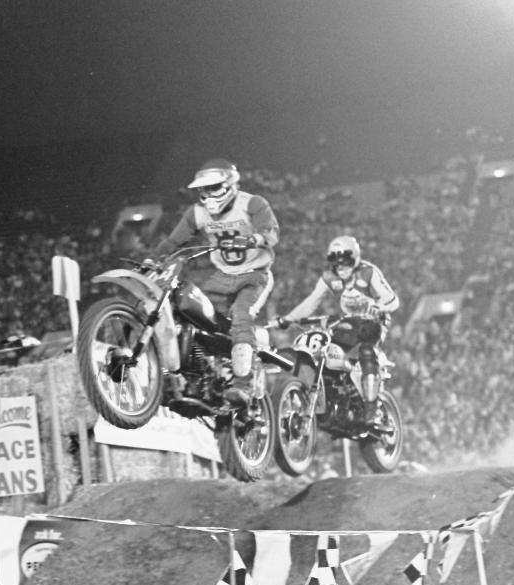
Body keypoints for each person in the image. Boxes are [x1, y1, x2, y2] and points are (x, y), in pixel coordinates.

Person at [152, 158, 280, 406]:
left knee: (241, 316)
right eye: (203, 190)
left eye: (213, 188)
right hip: (222, 277)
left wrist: (253, 239)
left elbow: (271, 232)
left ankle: (243, 383)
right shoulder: (197, 213)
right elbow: (174, 241)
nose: (208, 195)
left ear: (230, 184)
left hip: (255, 274)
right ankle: (188, 375)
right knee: (188, 310)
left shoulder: (252, 203)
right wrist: (154, 257)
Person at [276, 235, 399, 433]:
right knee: (326, 348)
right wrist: (288, 319)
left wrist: (379, 307)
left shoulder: (368, 273)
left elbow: (393, 301)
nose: (341, 266)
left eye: (345, 261)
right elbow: (311, 302)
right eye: (336, 261)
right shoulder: (329, 278)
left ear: (355, 258)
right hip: (350, 322)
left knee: (367, 351)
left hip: (376, 322)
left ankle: (371, 408)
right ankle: (335, 392)